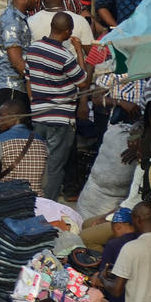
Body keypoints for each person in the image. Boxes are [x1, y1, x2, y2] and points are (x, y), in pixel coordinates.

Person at [24, 13, 87, 193]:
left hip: (38, 115)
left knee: (38, 163)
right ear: (68, 32)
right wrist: (79, 51)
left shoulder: (33, 48)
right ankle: (48, 206)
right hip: (60, 119)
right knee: (54, 167)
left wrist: (34, 102)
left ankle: (33, 200)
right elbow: (83, 82)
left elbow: (28, 78)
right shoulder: (65, 56)